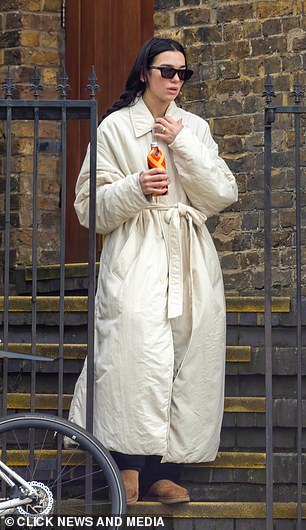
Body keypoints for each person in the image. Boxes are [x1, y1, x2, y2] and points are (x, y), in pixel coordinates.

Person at [68, 37, 238, 505]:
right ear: (145, 72)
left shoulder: (195, 128)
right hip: (136, 254)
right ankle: (125, 466)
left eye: (184, 73)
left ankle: (165, 471)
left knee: (187, 360)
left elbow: (222, 192)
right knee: (134, 358)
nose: (176, 80)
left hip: (190, 258)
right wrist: (136, 187)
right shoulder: (116, 129)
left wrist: (180, 142)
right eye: (168, 70)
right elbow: (88, 207)